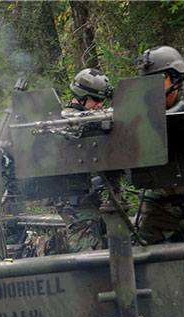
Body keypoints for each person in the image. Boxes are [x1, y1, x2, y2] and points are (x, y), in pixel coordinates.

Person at [134, 45, 184, 244]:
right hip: (161, 198)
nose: (151, 86)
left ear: (175, 77)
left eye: (158, 79)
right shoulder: (141, 109)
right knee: (141, 254)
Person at [57, 68, 114, 252]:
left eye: (102, 100)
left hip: (92, 201)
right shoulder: (65, 119)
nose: (100, 104)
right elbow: (79, 122)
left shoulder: (91, 116)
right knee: (88, 261)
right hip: (77, 205)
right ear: (82, 97)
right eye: (96, 99)